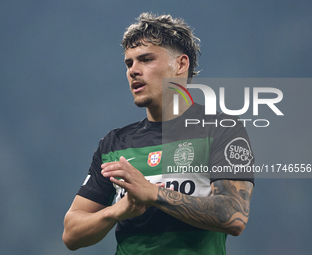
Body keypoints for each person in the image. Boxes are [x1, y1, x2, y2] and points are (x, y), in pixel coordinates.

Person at [63, 13, 254, 254]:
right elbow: (71, 234)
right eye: (129, 63)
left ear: (181, 65)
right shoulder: (114, 144)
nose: (133, 71)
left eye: (145, 59)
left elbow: (234, 216)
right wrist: (118, 210)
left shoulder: (221, 129)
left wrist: (153, 193)